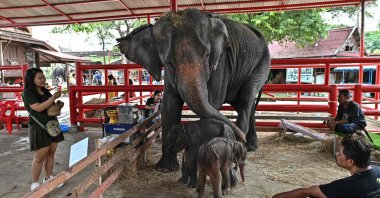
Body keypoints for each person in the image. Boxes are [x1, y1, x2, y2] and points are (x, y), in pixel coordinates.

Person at [272, 135, 380, 198]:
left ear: (350, 162)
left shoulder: (345, 185)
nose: (336, 154)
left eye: (340, 153)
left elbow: (307, 191)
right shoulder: (378, 171)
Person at [22, 68, 64, 191]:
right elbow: (38, 108)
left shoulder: (45, 91)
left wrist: (58, 104)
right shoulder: (27, 93)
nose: (43, 80)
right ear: (32, 79)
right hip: (39, 126)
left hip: (52, 125)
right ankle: (35, 183)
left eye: (43, 77)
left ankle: (48, 177)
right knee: (40, 157)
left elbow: (50, 107)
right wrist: (52, 99)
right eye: (40, 77)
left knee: (51, 152)